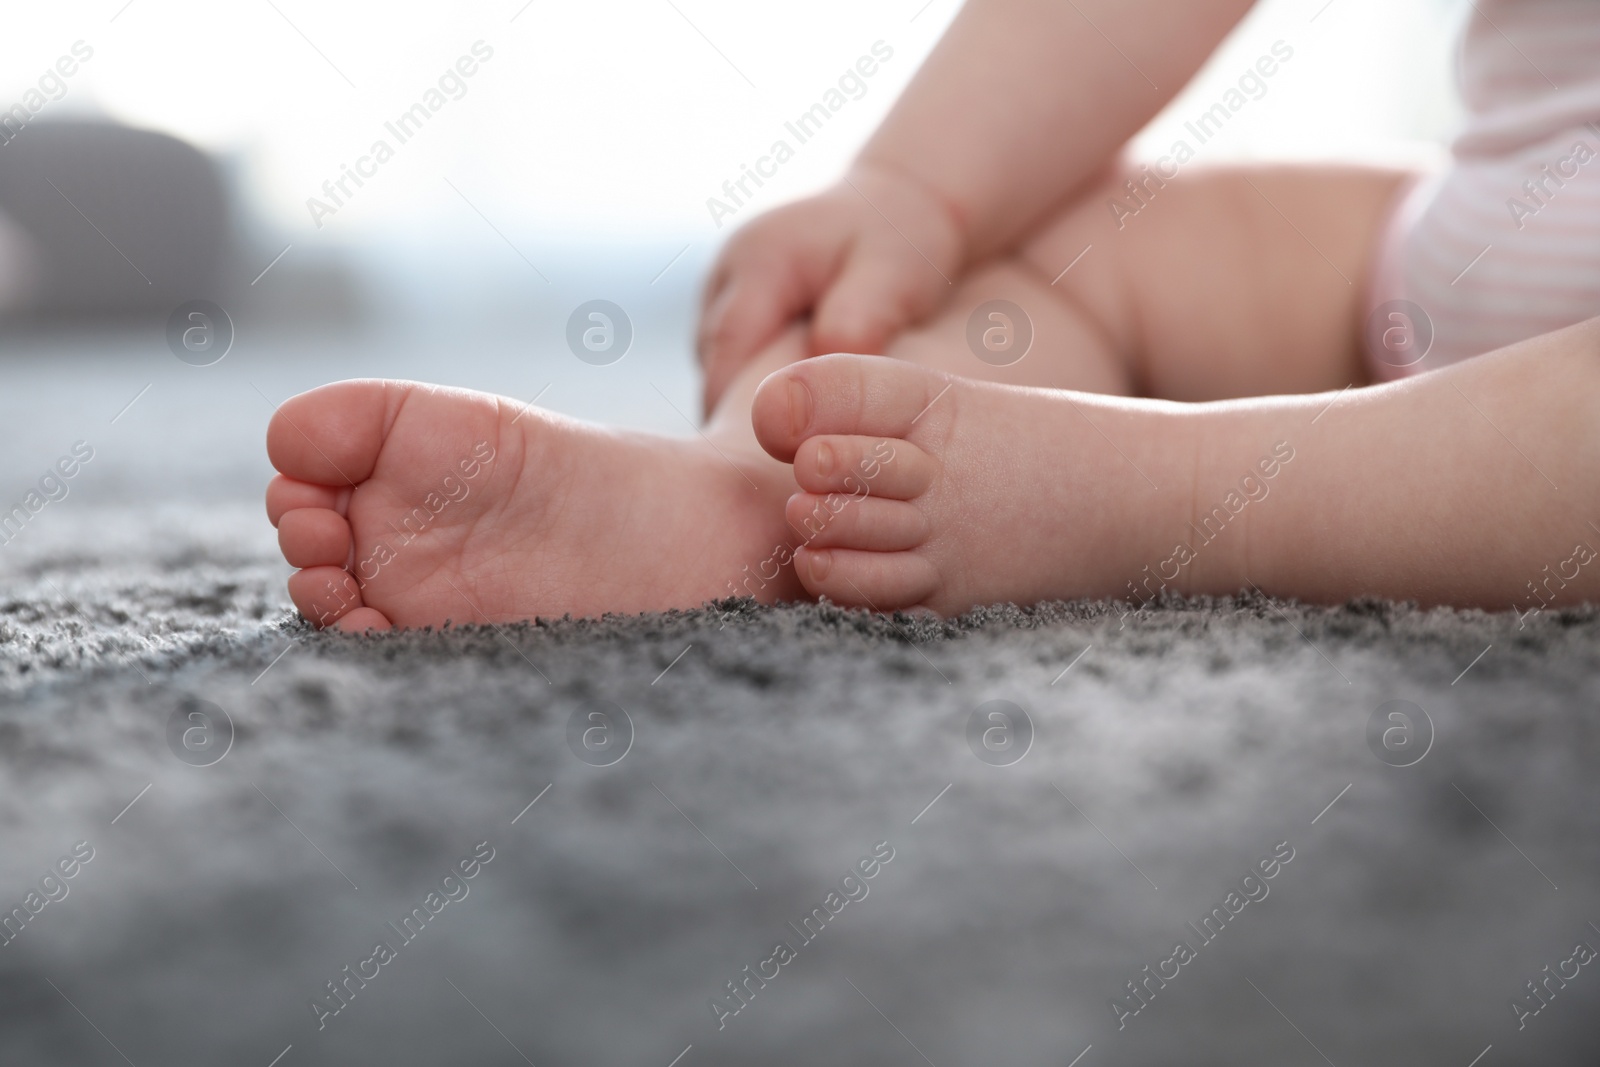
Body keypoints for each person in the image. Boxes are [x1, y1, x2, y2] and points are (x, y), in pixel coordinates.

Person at [266, 0, 1600, 632]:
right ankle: (755, 493)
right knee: (1045, 240)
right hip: (1450, 240)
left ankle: (1155, 489)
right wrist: (920, 187)